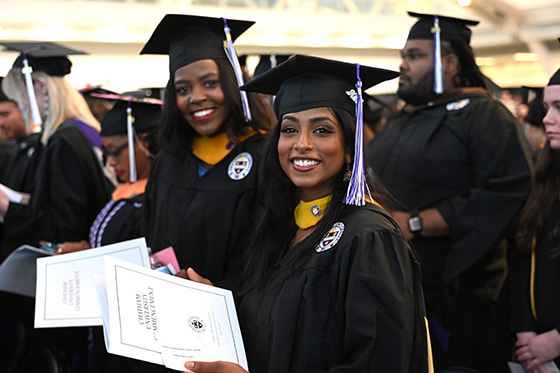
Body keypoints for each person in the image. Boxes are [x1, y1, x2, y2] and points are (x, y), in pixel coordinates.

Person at [182, 54, 431, 373]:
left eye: (322, 130)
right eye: (289, 130)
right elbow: (274, 331)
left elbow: (379, 363)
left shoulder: (369, 236)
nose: (302, 144)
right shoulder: (279, 227)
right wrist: (216, 304)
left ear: (349, 143)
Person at [366, 12, 533, 371]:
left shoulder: (485, 116)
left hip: (458, 296)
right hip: (394, 282)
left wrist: (414, 223)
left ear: (450, 61)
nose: (403, 65)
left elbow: (502, 195)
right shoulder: (405, 116)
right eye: (404, 56)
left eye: (415, 56)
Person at [140, 14, 275, 291]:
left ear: (233, 83)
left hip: (233, 316)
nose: (197, 97)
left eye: (210, 83)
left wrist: (215, 292)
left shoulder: (265, 158)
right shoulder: (168, 161)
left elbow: (269, 258)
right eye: (183, 89)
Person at [0, 42, 111, 372]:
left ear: (41, 88)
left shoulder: (63, 140)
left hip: (70, 282)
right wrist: (22, 200)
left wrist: (9, 209)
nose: (21, 106)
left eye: (21, 97)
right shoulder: (85, 131)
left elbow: (64, 224)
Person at [57, 97, 161, 254]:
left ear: (144, 142)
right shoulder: (126, 188)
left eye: (114, 151)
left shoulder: (160, 197)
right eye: (106, 152)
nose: (111, 162)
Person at [510, 61, 560, 372]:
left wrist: (556, 342)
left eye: (559, 107)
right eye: (546, 107)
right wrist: (527, 338)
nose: (547, 119)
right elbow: (522, 261)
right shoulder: (545, 181)